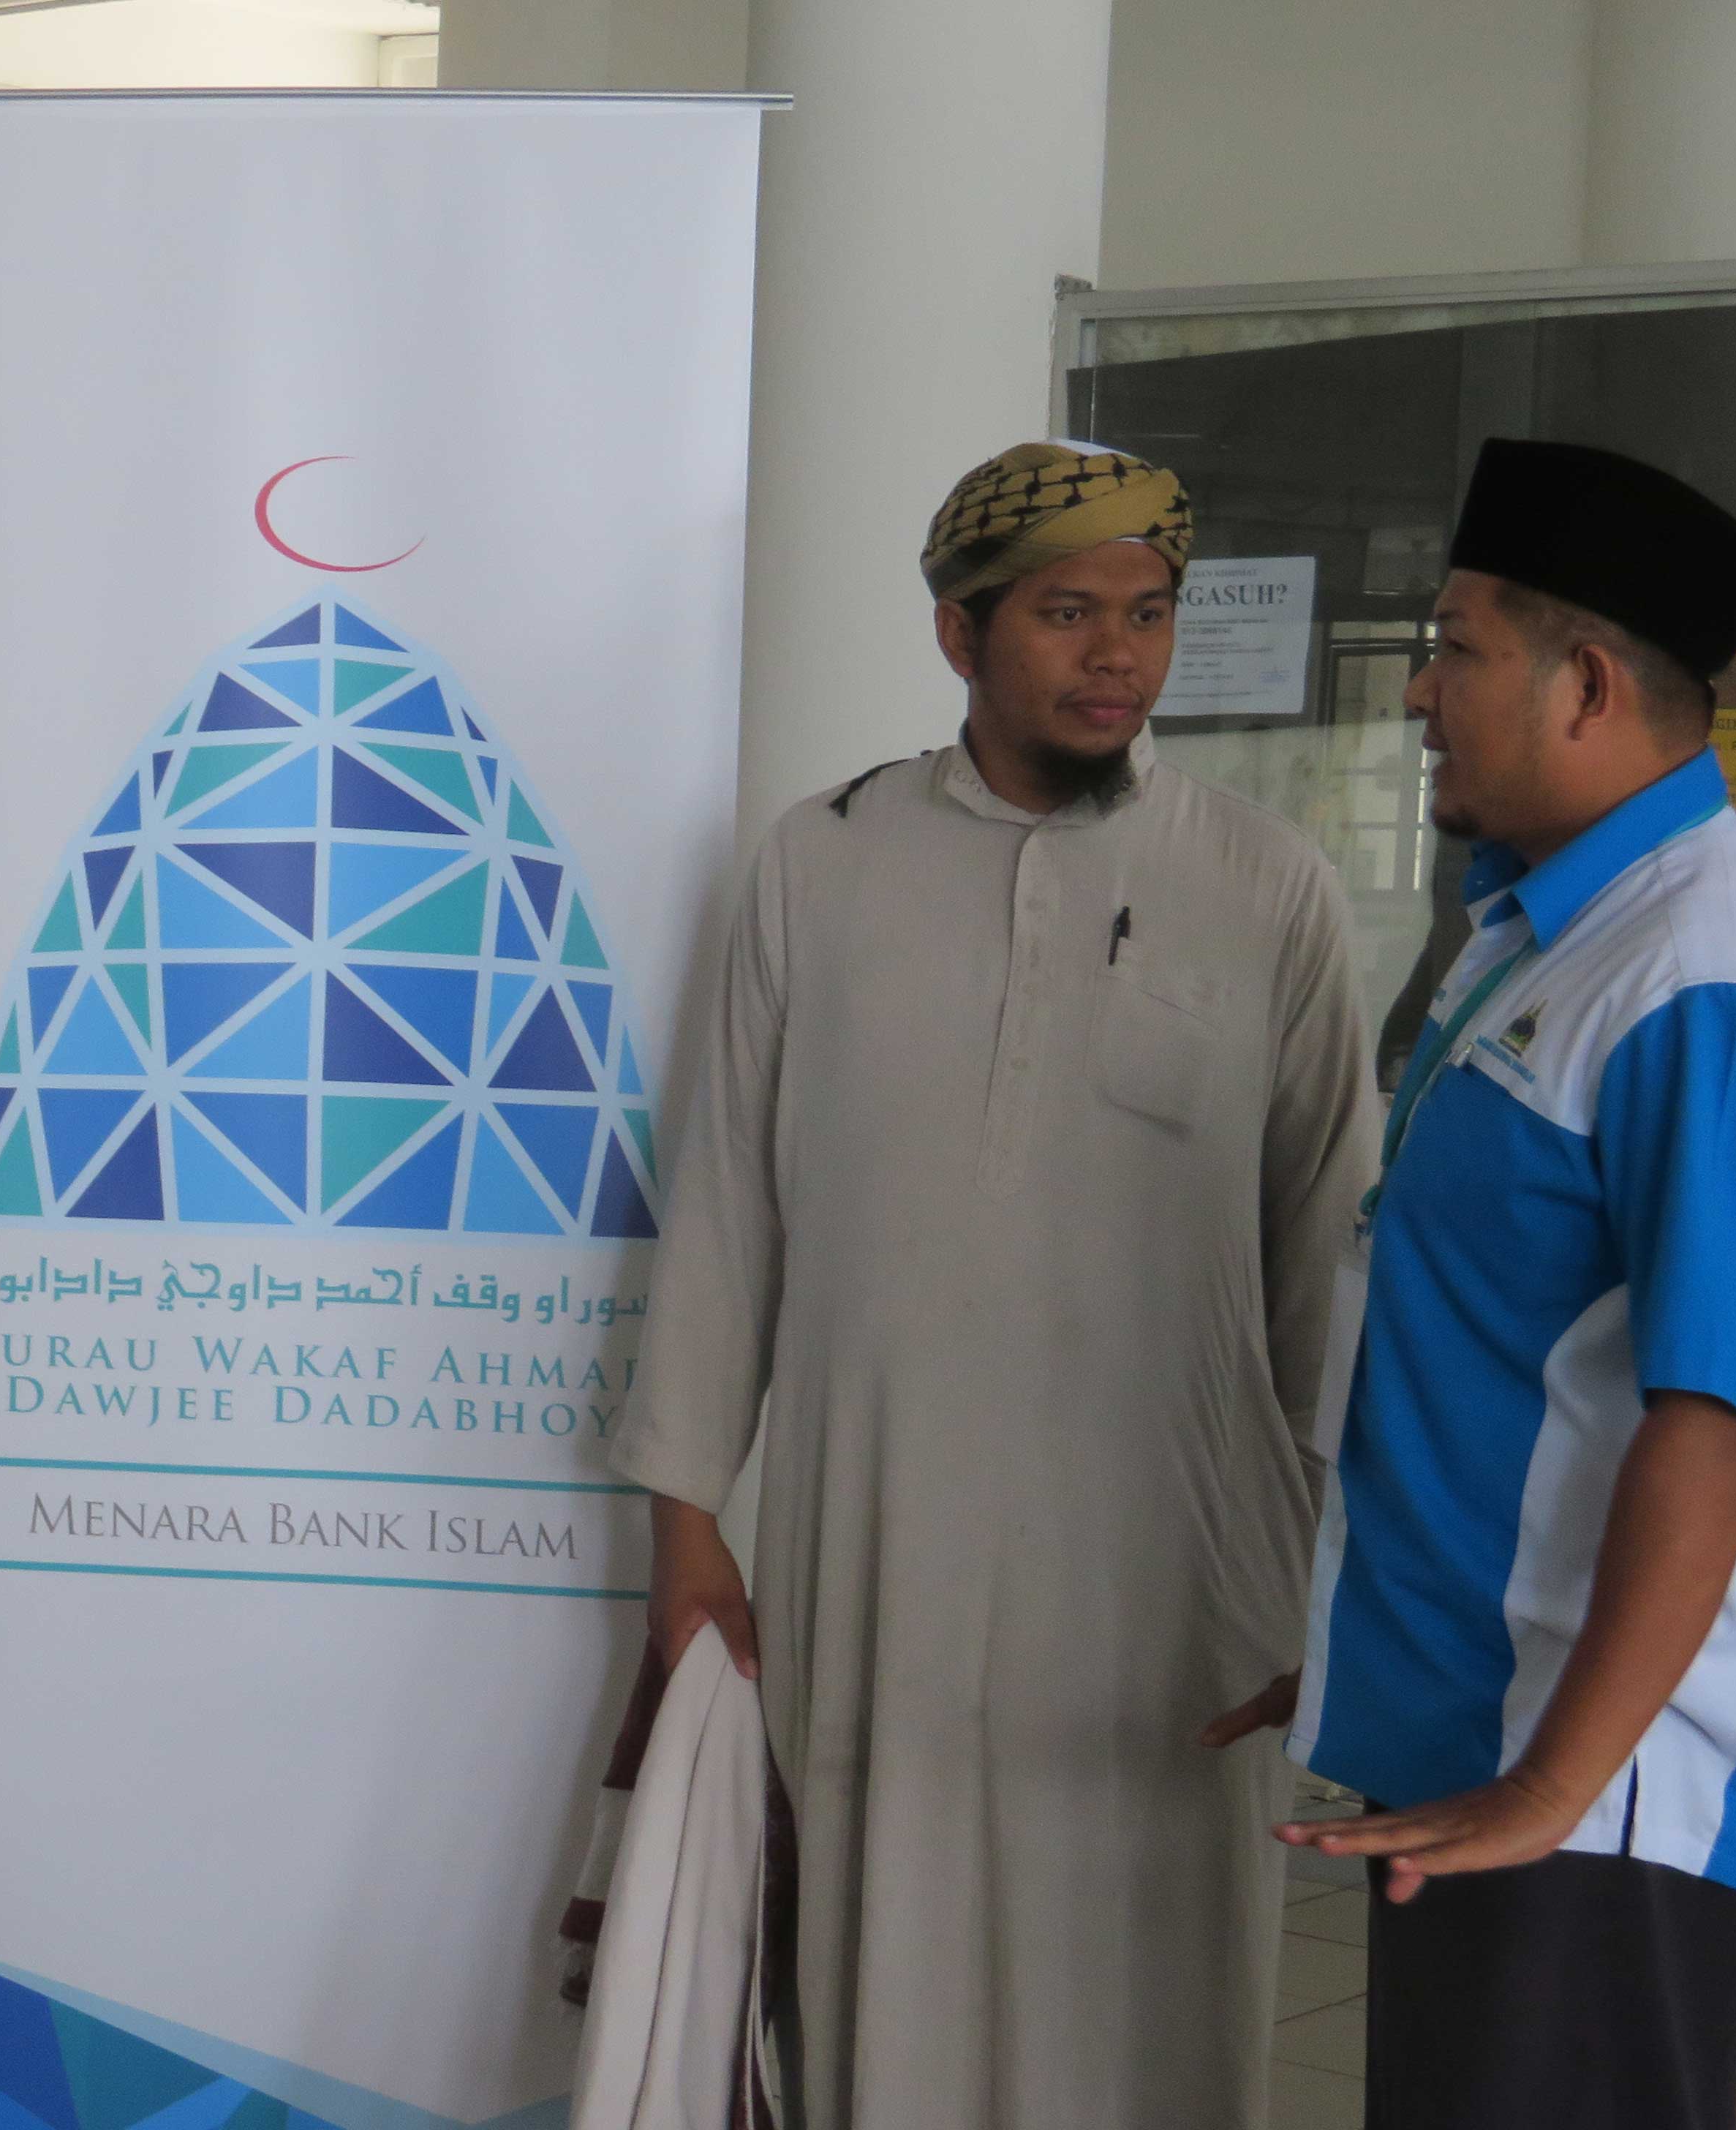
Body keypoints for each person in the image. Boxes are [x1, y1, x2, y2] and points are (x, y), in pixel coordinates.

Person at [608, 441, 1373, 2130]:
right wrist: (686, 1533)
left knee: (1154, 2003)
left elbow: (1321, 1256)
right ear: (959, 635)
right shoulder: (817, 865)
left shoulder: (1266, 887)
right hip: (877, 1544)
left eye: (1148, 615)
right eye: (1066, 614)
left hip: (1176, 1579)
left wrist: (1330, 1585)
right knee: (883, 1977)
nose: (1117, 657)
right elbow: (727, 1208)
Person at [1202, 440, 1736, 2130]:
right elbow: (1500, 1341)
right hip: (1482, 1740)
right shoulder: (1552, 933)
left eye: (1453, 648)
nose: (1416, 693)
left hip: (1589, 1786)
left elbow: (1723, 1419)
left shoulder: (1708, 982)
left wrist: (1555, 1783)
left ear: (1584, 685)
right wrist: (1362, 1634)